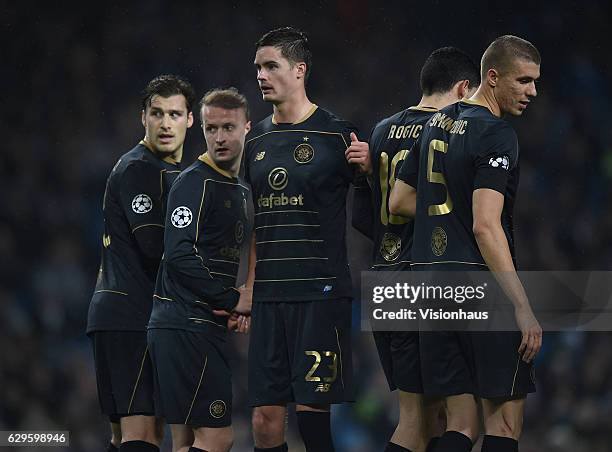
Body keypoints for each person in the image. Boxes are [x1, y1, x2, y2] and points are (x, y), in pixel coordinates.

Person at [389, 35, 542, 452]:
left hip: (431, 287)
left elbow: (399, 201)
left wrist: (449, 205)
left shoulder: (436, 122)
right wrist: (522, 305)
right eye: (523, 80)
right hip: (479, 286)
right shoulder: (497, 134)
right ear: (492, 78)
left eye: (535, 82)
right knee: (504, 424)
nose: (532, 91)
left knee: (458, 424)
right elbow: (485, 227)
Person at [346, 47, 480, 452]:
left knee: (420, 422)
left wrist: (366, 178)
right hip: (428, 279)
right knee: (461, 422)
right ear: (462, 88)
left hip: (385, 280)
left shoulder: (382, 131)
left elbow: (364, 221)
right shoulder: (449, 131)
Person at [244, 27, 357, 452]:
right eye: (257, 67)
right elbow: (259, 221)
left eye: (271, 66)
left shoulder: (338, 135)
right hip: (270, 297)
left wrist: (366, 172)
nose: (261, 75)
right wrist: (250, 286)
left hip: (319, 296)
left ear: (299, 70)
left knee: (312, 418)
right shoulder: (254, 139)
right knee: (265, 419)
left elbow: (373, 208)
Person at [86, 74, 195, 452]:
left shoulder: (170, 172)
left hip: (131, 314)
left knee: (133, 435)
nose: (166, 123)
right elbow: (153, 246)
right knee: (142, 434)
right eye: (157, 113)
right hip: (130, 316)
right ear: (143, 118)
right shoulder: (139, 168)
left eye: (175, 114)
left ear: (190, 120)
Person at [147, 87, 252, 452]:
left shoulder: (236, 188)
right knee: (218, 438)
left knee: (184, 442)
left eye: (228, 127)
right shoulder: (194, 182)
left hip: (194, 323)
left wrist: (227, 303)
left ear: (247, 128)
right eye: (211, 128)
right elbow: (179, 255)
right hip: (185, 326)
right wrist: (233, 298)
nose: (219, 137)